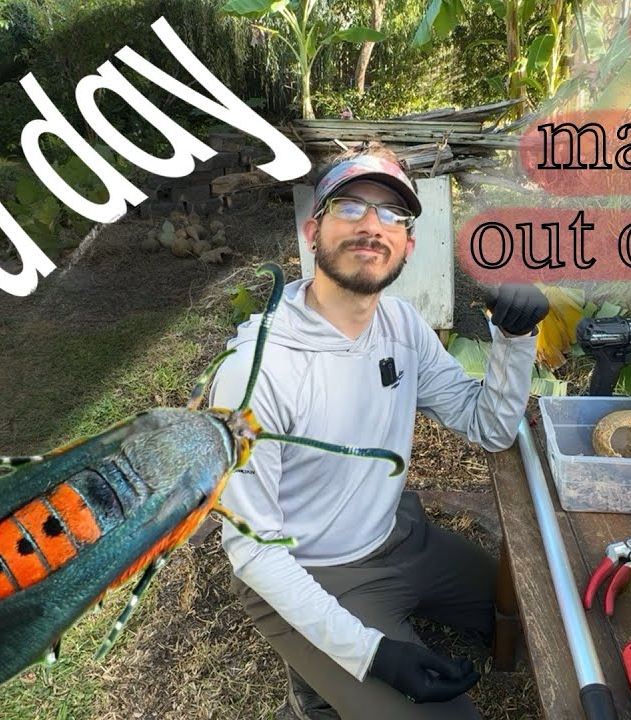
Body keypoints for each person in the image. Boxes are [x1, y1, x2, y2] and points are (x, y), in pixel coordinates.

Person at [208, 144, 548, 720]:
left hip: (397, 539)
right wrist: (372, 654)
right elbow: (251, 549)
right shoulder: (254, 372)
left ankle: (334, 670)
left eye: (393, 216)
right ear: (313, 229)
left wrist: (516, 337)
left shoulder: (402, 324)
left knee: (531, 612)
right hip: (312, 571)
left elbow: (487, 426)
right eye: (350, 207)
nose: (372, 226)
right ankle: (315, 686)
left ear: (408, 245)